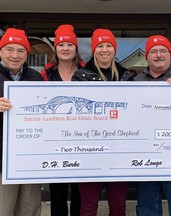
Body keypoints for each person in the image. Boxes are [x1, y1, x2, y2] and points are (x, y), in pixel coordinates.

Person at [72, 28, 135, 216]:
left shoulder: (127, 77)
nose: (104, 50)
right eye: (100, 46)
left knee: (118, 205)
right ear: (93, 50)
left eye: (109, 45)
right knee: (89, 206)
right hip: (89, 149)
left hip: (119, 149)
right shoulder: (80, 77)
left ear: (114, 50)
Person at [135, 35, 171, 216]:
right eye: (153, 51)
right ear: (147, 56)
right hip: (145, 156)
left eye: (163, 51)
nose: (158, 55)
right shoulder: (135, 82)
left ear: (170, 54)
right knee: (147, 207)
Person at [41, 24, 84, 216]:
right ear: (55, 49)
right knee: (57, 192)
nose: (65, 48)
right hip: (54, 141)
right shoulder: (45, 74)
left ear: (76, 48)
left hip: (83, 139)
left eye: (69, 44)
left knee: (79, 192)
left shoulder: (87, 72)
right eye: (61, 45)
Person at [0, 28, 43, 215]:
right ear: (1, 51)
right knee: (3, 208)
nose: (15, 55)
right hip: (2, 161)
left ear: (27, 53)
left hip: (29, 159)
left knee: (30, 208)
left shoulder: (35, 77)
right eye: (10, 49)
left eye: (20, 50)